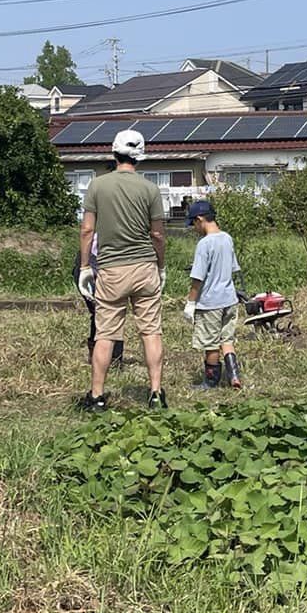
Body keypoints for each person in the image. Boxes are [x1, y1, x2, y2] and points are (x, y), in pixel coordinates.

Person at [78, 127, 168, 411]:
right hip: (144, 267)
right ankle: (155, 393)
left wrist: (84, 267)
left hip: (111, 268)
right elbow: (158, 235)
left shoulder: (97, 186)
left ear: (113, 152)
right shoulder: (150, 189)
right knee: (151, 331)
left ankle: (97, 396)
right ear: (140, 156)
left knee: (105, 334)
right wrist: (160, 265)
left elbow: (87, 229)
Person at [182, 199, 243, 389]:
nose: (194, 228)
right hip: (229, 299)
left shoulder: (204, 244)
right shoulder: (227, 238)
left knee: (210, 343)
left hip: (210, 303)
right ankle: (234, 376)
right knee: (227, 340)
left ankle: (210, 381)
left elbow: (198, 277)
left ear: (200, 219)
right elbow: (232, 268)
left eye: (193, 223)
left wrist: (191, 302)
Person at [72, 233, 125, 368]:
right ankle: (101, 355)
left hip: (112, 264)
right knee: (102, 312)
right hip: (90, 263)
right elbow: (86, 231)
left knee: (110, 312)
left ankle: (113, 358)